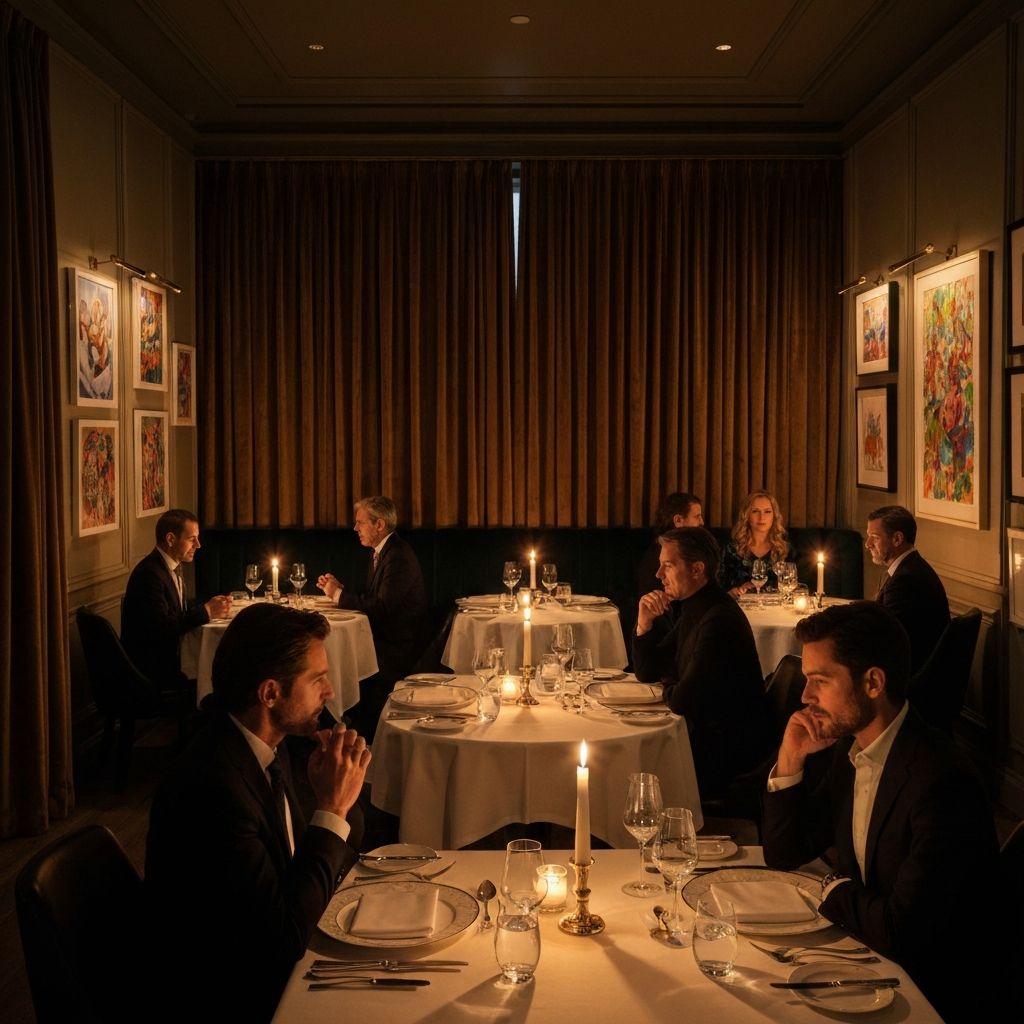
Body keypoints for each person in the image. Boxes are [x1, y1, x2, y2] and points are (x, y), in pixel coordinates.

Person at [762, 602, 1001, 1022]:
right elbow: (785, 855)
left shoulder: (940, 781)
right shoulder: (850, 750)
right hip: (870, 964)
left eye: (820, 681)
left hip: (932, 996)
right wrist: (790, 761)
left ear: (873, 682)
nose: (805, 697)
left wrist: (830, 885)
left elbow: (900, 933)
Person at [145, 604, 370, 1022]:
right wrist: (332, 808)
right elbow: (280, 942)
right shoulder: (213, 786)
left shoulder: (262, 746)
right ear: (270, 693)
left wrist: (340, 800)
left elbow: (302, 866)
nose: (331, 692)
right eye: (317, 679)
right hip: (231, 998)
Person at [633, 527, 772, 798]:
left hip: (723, 754)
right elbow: (649, 670)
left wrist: (670, 681)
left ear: (697, 569)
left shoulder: (718, 618)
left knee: (633, 771)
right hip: (703, 739)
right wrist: (644, 623)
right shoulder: (696, 606)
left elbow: (681, 700)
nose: (658, 575)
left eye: (668, 566)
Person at [317, 495, 427, 739]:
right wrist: (340, 590)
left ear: (379, 525)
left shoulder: (397, 555)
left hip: (398, 647)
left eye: (360, 522)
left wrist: (338, 595)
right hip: (385, 639)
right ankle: (340, 729)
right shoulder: (382, 551)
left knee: (335, 660)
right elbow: (373, 599)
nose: (355, 528)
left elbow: (382, 608)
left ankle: (343, 732)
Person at [121, 508, 231, 689]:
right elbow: (162, 628)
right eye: (191, 539)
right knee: (222, 669)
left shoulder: (166, 566)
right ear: (171, 539)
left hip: (165, 658)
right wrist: (207, 611)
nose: (198, 545)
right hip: (152, 669)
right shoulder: (150, 574)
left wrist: (210, 608)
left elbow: (174, 616)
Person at [865, 505, 950, 674]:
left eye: (874, 538)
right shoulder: (910, 567)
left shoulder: (906, 580)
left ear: (897, 539)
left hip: (912, 676)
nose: (867, 545)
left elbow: (889, 637)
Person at [718, 489, 795, 597]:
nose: (761, 517)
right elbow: (719, 588)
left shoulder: (784, 550)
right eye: (755, 511)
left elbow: (793, 588)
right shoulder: (731, 549)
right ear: (747, 515)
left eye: (767, 511)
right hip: (741, 609)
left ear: (774, 516)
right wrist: (734, 591)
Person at [636, 491, 704, 599]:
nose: (702, 522)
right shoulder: (664, 553)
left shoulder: (685, 547)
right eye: (697, 517)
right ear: (678, 520)